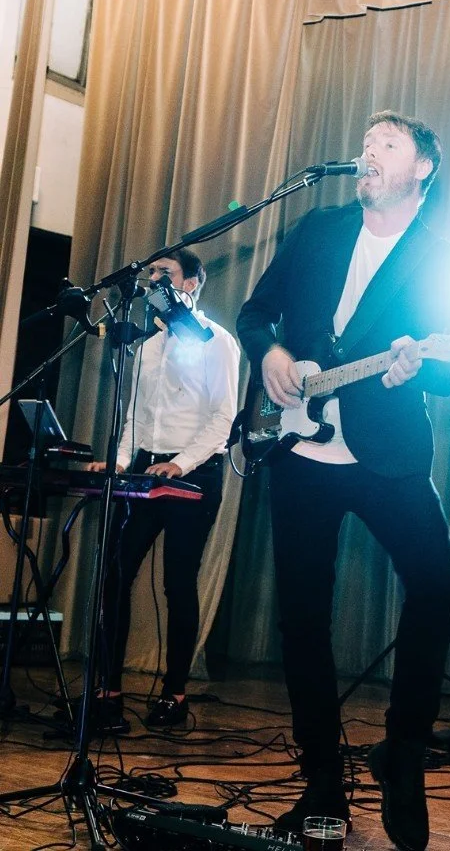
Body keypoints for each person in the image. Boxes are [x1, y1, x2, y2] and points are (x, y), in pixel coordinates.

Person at [236, 111, 450, 850]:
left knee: (434, 584)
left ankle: (403, 752)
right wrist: (272, 356)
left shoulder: (439, 258)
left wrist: (417, 365)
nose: (369, 153)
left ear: (422, 168)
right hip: (299, 450)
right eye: (367, 143)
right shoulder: (319, 229)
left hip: (385, 453)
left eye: (388, 145)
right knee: (302, 617)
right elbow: (255, 313)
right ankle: (321, 784)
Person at [91, 249, 240, 732]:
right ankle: (108, 690)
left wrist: (181, 463)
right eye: (152, 272)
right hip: (144, 470)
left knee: (178, 582)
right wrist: (118, 461)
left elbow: (223, 417)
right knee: (116, 573)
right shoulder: (149, 346)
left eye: (166, 273)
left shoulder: (217, 342)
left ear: (192, 284)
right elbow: (136, 418)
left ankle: (175, 694)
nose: (155, 279)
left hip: (194, 471)